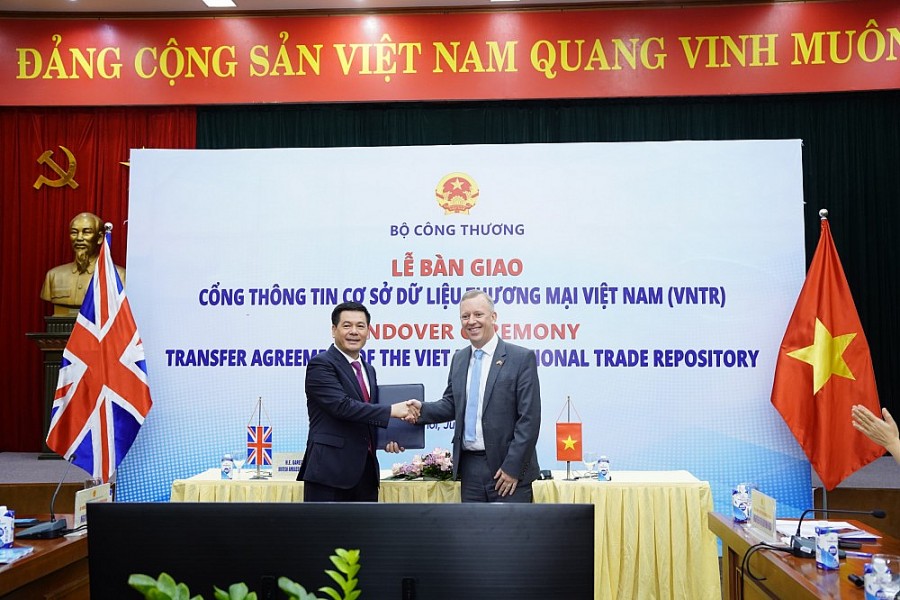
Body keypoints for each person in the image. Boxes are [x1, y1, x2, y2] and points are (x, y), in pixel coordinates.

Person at [409, 289, 541, 502]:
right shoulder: (459, 359)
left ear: (493, 317)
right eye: (465, 316)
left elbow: (529, 419)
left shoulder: (521, 358)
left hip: (508, 470)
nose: (471, 321)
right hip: (470, 470)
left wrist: (512, 468)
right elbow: (452, 404)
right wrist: (420, 410)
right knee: (472, 526)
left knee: (509, 526)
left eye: (478, 314)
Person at [298, 301, 419, 502]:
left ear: (368, 332)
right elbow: (342, 407)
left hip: (366, 474)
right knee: (324, 525)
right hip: (330, 474)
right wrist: (391, 411)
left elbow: (367, 414)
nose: (354, 331)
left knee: (365, 525)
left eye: (360, 326)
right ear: (334, 330)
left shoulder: (368, 369)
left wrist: (389, 437)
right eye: (347, 325)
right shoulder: (321, 364)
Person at [40, 212, 125, 316]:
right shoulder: (53, 276)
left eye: (86, 232)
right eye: (74, 233)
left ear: (99, 238)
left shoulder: (119, 276)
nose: (79, 238)